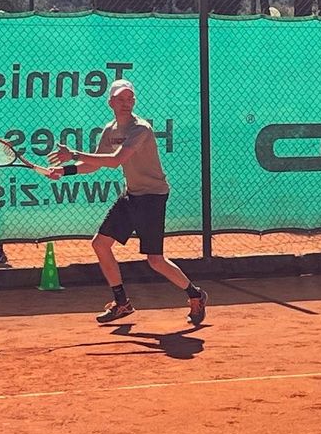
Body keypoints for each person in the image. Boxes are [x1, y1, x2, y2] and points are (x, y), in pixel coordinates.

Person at [47, 79, 208, 325]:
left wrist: (74, 154)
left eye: (130, 99)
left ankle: (195, 295)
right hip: (131, 195)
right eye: (120, 99)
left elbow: (115, 160)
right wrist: (65, 171)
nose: (126, 103)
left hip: (153, 197)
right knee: (100, 244)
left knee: (155, 260)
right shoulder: (110, 130)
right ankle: (122, 303)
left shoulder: (140, 129)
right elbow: (94, 164)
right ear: (110, 102)